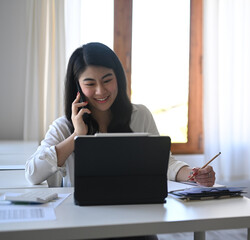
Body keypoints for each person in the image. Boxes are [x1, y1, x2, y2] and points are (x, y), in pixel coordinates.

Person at [25, 42, 216, 189]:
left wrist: (192, 174)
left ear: (118, 78)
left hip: (135, 213)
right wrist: (76, 136)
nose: (101, 91)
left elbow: (164, 164)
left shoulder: (140, 115)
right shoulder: (63, 126)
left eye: (107, 80)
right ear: (78, 88)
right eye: (90, 84)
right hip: (83, 221)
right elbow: (33, 174)